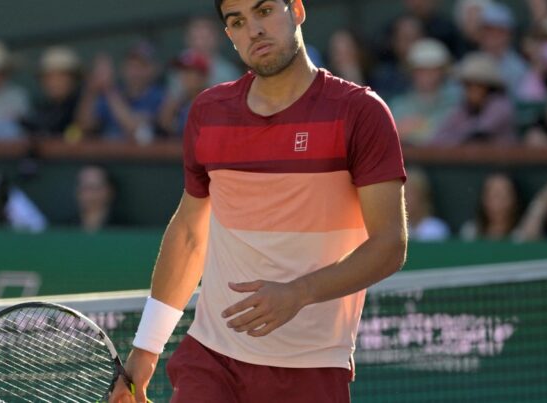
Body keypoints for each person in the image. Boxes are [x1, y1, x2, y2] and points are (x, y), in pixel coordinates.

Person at [110, 1, 408, 402]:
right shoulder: (208, 112)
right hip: (210, 358)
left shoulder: (361, 113)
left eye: (264, 10)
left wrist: (298, 293)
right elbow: (190, 235)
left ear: (297, 10)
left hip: (312, 367)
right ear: (229, 36)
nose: (253, 29)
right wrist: (146, 348)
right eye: (237, 22)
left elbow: (389, 246)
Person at [76, 42, 165, 144]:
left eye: (141, 66)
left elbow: (135, 127)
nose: (134, 71)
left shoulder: (158, 96)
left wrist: (108, 89)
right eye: (131, 65)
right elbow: (85, 124)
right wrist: (92, 90)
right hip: (107, 155)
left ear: (153, 69)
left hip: (140, 157)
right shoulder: (117, 92)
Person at [430, 52, 517, 146]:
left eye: (476, 85)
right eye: (467, 85)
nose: (470, 91)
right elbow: (439, 136)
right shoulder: (465, 108)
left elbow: (478, 134)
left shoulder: (500, 106)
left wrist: (454, 136)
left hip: (501, 160)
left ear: (488, 87)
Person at [389, 38, 459, 146]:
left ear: (442, 72)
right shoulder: (398, 106)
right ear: (412, 72)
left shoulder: (456, 103)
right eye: (422, 70)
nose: (428, 76)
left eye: (433, 70)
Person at [20, 46, 83, 139]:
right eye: (48, 77)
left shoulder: (81, 104)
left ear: (73, 79)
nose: (54, 83)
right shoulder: (44, 108)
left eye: (60, 77)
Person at [475, 2, 529, 98]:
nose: (493, 35)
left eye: (500, 31)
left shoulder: (519, 69)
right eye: (489, 29)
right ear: (481, 32)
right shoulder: (470, 61)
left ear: (509, 34)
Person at [158, 50, 211, 139]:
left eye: (188, 72)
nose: (183, 76)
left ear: (202, 77)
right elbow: (167, 126)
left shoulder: (211, 102)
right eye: (181, 72)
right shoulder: (180, 101)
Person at [460, 172, 524, 240]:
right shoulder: (470, 232)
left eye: (503, 195)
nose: (497, 202)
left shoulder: (520, 235)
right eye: (492, 195)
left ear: (514, 199)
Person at [404, 168, 451, 241]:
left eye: (409, 193)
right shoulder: (396, 230)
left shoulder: (436, 229)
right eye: (402, 193)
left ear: (422, 195)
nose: (404, 198)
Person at [76, 165, 114, 232]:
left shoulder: (126, 226)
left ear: (109, 191)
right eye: (85, 188)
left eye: (95, 188)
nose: (90, 194)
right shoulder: (63, 227)